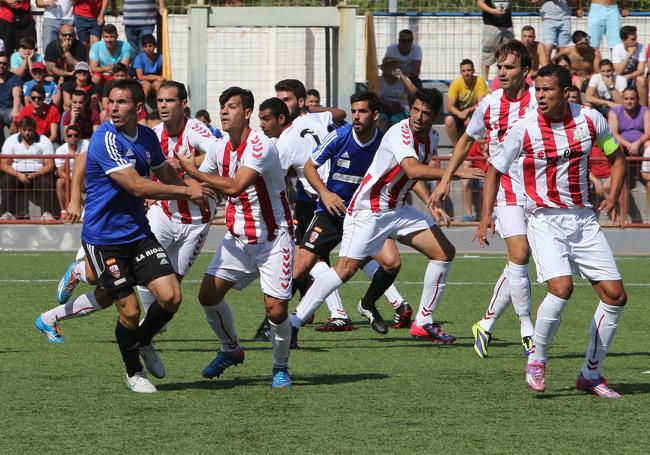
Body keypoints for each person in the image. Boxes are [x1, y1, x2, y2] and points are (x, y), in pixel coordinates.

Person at [35, 78, 212, 393]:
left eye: (121, 102)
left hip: (137, 234)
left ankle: (143, 342)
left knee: (171, 297)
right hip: (104, 239)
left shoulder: (145, 136)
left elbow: (162, 171)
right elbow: (137, 186)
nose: (112, 108)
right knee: (128, 311)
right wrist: (186, 189)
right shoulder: (106, 137)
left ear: (138, 108)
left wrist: (191, 193)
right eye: (110, 101)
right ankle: (133, 373)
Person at [476, 64, 628, 398]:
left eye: (547, 90)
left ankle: (591, 373)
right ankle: (538, 357)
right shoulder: (524, 128)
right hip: (544, 219)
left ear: (565, 90)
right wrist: (486, 214)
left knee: (616, 296)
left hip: (584, 220)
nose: (540, 95)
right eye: (538, 89)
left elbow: (617, 158)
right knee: (561, 288)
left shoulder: (590, 119)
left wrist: (614, 195)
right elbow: (493, 170)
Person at [294, 88, 484, 347]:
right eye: (415, 110)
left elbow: (411, 175)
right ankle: (295, 321)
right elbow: (412, 167)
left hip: (397, 210)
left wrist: (430, 201)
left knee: (444, 252)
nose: (418, 117)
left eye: (425, 113)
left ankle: (423, 322)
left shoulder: (432, 137)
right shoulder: (399, 132)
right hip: (368, 210)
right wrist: (455, 172)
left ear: (434, 116)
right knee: (346, 269)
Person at [174, 86, 296, 389]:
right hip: (238, 239)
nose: (224, 112)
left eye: (231, 106)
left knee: (276, 309)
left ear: (248, 113)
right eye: (222, 106)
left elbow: (233, 187)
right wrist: (188, 178)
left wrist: (195, 172)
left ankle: (280, 367)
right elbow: (204, 174)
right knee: (207, 296)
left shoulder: (261, 146)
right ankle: (231, 349)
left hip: (273, 238)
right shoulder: (219, 147)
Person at [281, 92, 417, 340]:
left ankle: (368, 305)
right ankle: (275, 322)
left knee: (391, 262)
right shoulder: (339, 136)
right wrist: (325, 193)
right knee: (300, 269)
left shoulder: (385, 143)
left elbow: (406, 171)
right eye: (354, 111)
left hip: (367, 214)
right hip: (332, 212)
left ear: (375, 115)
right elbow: (310, 167)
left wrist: (427, 197)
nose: (356, 116)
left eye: (362, 111)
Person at [431, 40, 536, 359]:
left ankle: (486, 323)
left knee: (520, 262)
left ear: (526, 71)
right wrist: (447, 176)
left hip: (538, 190)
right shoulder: (490, 103)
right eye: (500, 67)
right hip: (505, 189)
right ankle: (527, 329)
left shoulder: (539, 100)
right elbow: (465, 140)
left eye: (510, 67)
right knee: (519, 253)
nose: (502, 73)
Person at [0, 116, 55, 220]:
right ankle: (8, 213)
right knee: (5, 180)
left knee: (47, 181)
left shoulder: (44, 141)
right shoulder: (11, 140)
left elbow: (50, 165)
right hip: (17, 174)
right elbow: (3, 164)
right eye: (24, 130)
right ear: (20, 129)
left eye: (30, 130)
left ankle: (47, 213)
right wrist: (18, 174)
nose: (27, 133)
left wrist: (34, 174)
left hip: (37, 174)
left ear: (35, 129)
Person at [608, 86, 650, 223]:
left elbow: (648, 132)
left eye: (632, 98)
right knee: (615, 145)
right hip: (623, 144)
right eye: (626, 98)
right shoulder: (614, 111)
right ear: (622, 99)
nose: (629, 101)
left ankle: (646, 172)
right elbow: (613, 133)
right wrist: (628, 144)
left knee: (648, 144)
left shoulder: (645, 111)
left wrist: (637, 143)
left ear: (637, 99)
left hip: (640, 144)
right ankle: (617, 173)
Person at [445, 59, 487, 147]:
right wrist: (460, 114)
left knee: (472, 121)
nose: (466, 73)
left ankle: (472, 149)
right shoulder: (456, 83)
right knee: (448, 121)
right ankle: (456, 148)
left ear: (473, 71)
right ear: (460, 72)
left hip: (474, 111)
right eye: (463, 71)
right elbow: (449, 106)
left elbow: (481, 104)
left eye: (468, 70)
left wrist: (468, 111)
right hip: (459, 112)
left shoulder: (479, 81)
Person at [54, 124, 88, 218]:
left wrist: (79, 179)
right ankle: (64, 211)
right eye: (70, 135)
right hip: (69, 177)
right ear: (66, 137)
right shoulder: (60, 150)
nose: (73, 137)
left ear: (79, 136)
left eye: (76, 135)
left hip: (85, 177)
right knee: (59, 182)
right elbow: (60, 172)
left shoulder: (86, 145)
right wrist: (74, 179)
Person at [477, 0, 514, 83]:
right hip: (491, 25)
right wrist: (493, 11)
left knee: (508, 55)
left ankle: (499, 83)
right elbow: (480, 3)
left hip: (507, 25)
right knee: (487, 55)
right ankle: (485, 84)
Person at [378, 56, 418, 131]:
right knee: (383, 120)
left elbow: (415, 92)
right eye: (389, 66)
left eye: (394, 66)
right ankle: (381, 140)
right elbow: (375, 96)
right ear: (384, 68)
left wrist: (402, 76)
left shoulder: (403, 79)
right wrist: (386, 102)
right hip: (384, 108)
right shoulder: (379, 80)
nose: (392, 68)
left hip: (401, 109)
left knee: (395, 121)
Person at [611, 25, 647, 107]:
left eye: (636, 38)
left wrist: (629, 76)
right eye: (632, 39)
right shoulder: (617, 49)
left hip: (633, 76)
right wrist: (629, 55)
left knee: (641, 80)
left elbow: (641, 70)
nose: (635, 41)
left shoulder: (641, 47)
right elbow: (618, 71)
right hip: (620, 77)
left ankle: (643, 110)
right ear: (624, 40)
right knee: (620, 81)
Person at [133, 34, 164, 100]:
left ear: (155, 46)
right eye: (145, 46)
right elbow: (140, 76)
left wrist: (158, 78)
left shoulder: (160, 57)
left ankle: (160, 106)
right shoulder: (139, 58)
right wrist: (156, 77)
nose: (148, 48)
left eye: (150, 46)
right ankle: (141, 106)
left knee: (159, 84)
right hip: (142, 81)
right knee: (147, 85)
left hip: (154, 81)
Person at [0, 51, 22, 145]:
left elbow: (16, 96)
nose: (1, 65)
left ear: (8, 65)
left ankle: (13, 148)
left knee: (17, 118)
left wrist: (15, 109)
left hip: (9, 109)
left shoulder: (14, 78)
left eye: (4, 63)